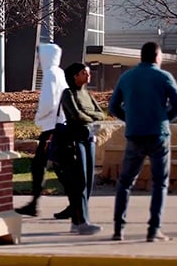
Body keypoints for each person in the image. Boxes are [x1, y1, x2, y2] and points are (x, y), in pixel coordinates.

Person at [109, 42, 177, 242]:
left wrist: (130, 119)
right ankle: (154, 230)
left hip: (135, 134)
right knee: (159, 183)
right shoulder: (163, 77)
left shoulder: (127, 77)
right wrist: (163, 118)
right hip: (158, 135)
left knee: (125, 182)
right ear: (157, 56)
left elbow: (113, 107)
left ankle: (119, 229)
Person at [16, 43, 71, 219]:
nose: (38, 59)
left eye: (40, 55)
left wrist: (38, 117)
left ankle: (75, 204)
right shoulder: (60, 72)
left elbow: (48, 102)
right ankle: (35, 204)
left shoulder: (50, 74)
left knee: (53, 166)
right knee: (47, 165)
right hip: (58, 124)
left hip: (51, 127)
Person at [60, 62, 106, 235]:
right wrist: (90, 117)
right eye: (84, 73)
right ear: (74, 76)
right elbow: (76, 115)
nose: (88, 76)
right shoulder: (68, 93)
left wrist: (89, 116)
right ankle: (81, 222)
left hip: (89, 139)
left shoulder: (87, 94)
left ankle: (77, 220)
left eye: (87, 73)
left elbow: (101, 113)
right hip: (74, 141)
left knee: (88, 181)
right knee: (79, 181)